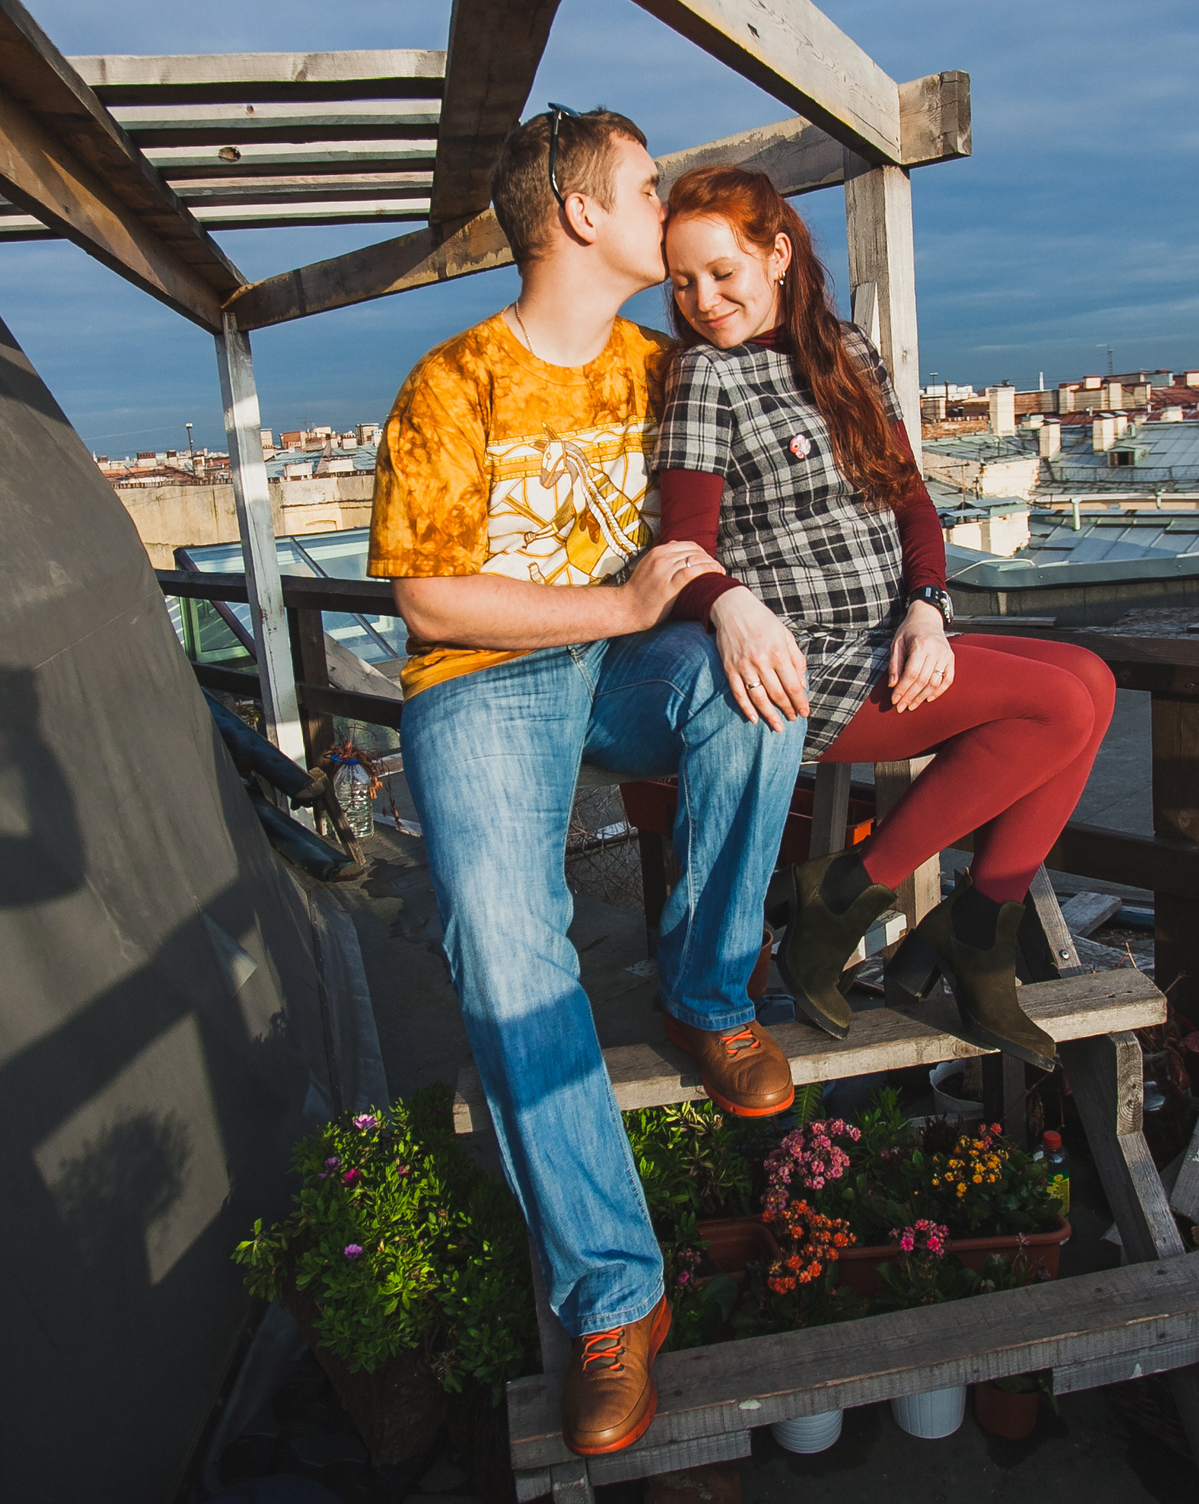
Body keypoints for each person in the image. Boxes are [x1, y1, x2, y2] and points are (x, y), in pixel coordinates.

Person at [367, 110, 809, 1460]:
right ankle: (617, 1298)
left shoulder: (669, 368)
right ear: (577, 213)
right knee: (502, 942)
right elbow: (428, 595)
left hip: (629, 667)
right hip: (485, 677)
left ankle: (709, 991)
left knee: (757, 686)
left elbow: (784, 475)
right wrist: (616, 606)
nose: (662, 207)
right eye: (645, 186)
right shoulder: (454, 382)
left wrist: (879, 601)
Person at [653, 164, 1117, 1068]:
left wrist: (928, 610)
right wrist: (730, 608)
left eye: (722, 272)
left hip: (892, 637)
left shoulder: (844, 352)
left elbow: (910, 499)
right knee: (1057, 706)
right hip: (805, 666)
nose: (703, 300)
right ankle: (851, 895)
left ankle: (974, 936)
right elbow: (684, 549)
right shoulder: (705, 375)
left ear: (777, 255)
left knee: (1092, 679)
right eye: (681, 283)